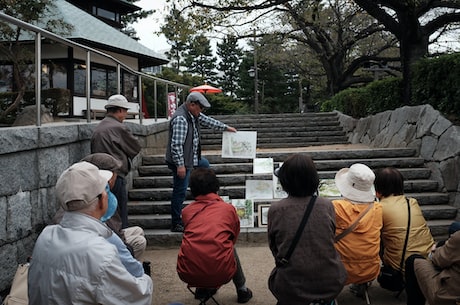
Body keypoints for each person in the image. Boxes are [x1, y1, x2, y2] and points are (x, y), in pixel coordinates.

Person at [28, 161, 152, 304]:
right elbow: (138, 298)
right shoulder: (101, 253)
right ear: (101, 200)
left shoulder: (46, 236)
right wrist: (146, 279)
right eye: (105, 190)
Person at [268, 154, 347, 305]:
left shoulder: (276, 209)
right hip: (331, 282)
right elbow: (330, 236)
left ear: (285, 181)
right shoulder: (327, 205)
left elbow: (275, 249)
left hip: (290, 287)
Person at [176, 168, 253, 304]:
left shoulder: (186, 211)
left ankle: (202, 287)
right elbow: (234, 236)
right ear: (216, 187)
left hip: (188, 272)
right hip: (222, 272)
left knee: (198, 243)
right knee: (228, 246)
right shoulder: (227, 209)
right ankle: (242, 289)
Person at [165, 91, 237, 232]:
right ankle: (176, 222)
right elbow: (176, 145)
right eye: (200, 108)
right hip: (182, 160)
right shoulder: (181, 119)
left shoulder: (193, 114)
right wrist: (180, 165)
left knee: (205, 168)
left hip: (192, 157)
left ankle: (205, 196)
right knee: (180, 190)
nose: (202, 111)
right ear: (192, 104)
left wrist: (226, 128)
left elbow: (208, 121)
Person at [332, 163, 383, 295]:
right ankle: (361, 286)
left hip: (340, 270)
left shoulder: (337, 208)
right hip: (370, 269)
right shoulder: (377, 209)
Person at [91, 94, 141, 229]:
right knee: (120, 211)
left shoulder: (99, 127)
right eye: (125, 111)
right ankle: (123, 242)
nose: (125, 114)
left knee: (107, 213)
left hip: (100, 175)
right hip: (116, 174)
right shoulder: (118, 127)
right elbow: (135, 147)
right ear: (120, 110)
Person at [374, 167, 435, 277]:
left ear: (377, 189)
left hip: (401, 267)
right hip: (428, 260)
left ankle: (363, 281)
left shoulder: (379, 208)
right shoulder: (412, 202)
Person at [405, 227, 460, 305]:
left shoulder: (458, 237)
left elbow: (438, 261)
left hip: (450, 296)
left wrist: (434, 251)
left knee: (412, 260)